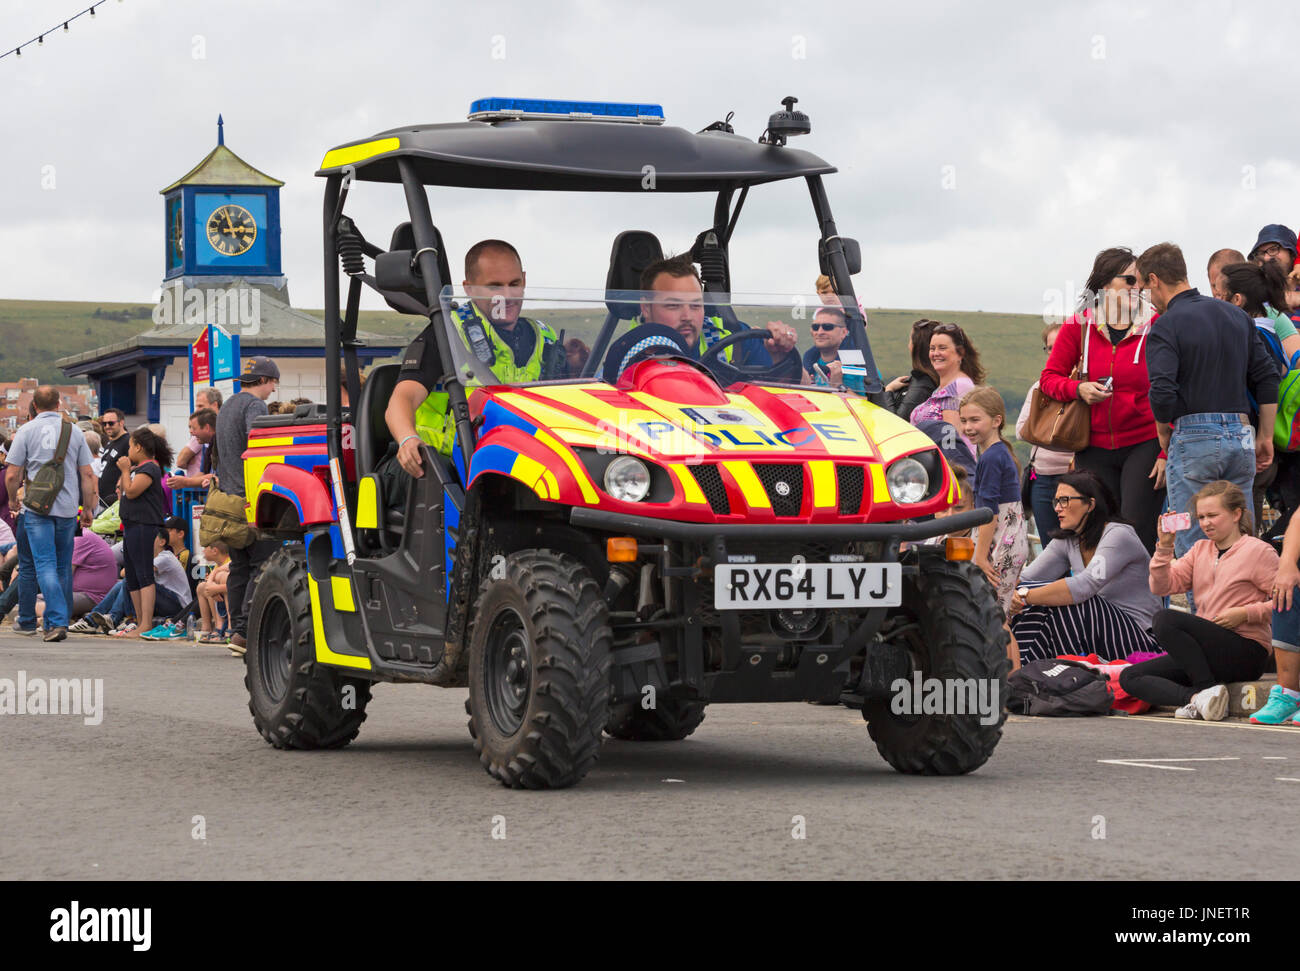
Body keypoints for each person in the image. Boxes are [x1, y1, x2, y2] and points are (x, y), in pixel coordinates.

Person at [1141, 242, 1280, 581]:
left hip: (1192, 438)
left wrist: (1163, 432)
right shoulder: (1236, 315)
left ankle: (1203, 627)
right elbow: (1267, 377)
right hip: (1241, 435)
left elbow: (1161, 390)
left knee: (1192, 544)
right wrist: (1264, 436)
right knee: (1240, 541)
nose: (1148, 298)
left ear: (1155, 280)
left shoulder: (1166, 324)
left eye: (1145, 288)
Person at [386, 239, 565, 472]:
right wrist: (408, 439)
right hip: (441, 465)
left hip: (517, 462)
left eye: (514, 283)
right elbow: (402, 400)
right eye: (494, 287)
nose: (507, 296)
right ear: (469, 288)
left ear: (524, 279)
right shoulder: (447, 332)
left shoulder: (545, 337)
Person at [1039, 246, 1165, 553]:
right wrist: (1077, 390)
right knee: (1100, 529)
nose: (1139, 288)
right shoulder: (1078, 326)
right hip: (1091, 444)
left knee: (1135, 529)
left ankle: (1143, 600)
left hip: (1144, 441)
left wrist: (1165, 452)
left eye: (1142, 282)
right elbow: (1049, 379)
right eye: (1130, 281)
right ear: (1106, 285)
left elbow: (1172, 387)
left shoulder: (1158, 324)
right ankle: (1101, 600)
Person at [1119, 481, 1277, 720]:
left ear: (1236, 514)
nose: (1205, 523)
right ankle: (1197, 698)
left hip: (1247, 649)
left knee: (1165, 619)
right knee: (1129, 676)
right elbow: (1161, 586)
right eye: (1201, 517)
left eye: (1213, 515)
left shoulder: (1258, 551)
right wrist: (1165, 546)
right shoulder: (1200, 549)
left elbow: (1289, 603)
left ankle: (1205, 688)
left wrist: (1246, 613)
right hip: (1206, 651)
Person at [1009, 472, 1160, 666]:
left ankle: (1041, 672)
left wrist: (1023, 596)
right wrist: (1012, 592)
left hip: (1139, 642)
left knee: (1077, 601)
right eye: (1056, 501)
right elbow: (1027, 578)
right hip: (1095, 636)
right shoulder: (1068, 540)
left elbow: (1084, 586)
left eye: (1064, 500)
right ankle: (1024, 671)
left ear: (1090, 504)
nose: (1057, 508)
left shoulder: (1118, 535)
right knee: (1039, 600)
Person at [4, 390, 96, 641]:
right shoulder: (74, 431)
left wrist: (13, 500)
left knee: (42, 564)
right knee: (62, 566)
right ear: (58, 404)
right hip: (67, 510)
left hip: (36, 508)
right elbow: (88, 475)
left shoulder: (26, 431)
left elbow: (12, 475)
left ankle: (55, 622)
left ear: (34, 405)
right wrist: (88, 508)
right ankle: (61, 618)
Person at [1217, 260, 1300, 532]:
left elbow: (1264, 383)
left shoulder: (1252, 338)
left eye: (1218, 295)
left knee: (1240, 529)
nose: (1213, 302)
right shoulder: (1271, 332)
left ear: (1237, 300)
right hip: (1260, 447)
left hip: (1251, 447)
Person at [636, 255, 800, 379]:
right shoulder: (628, 352)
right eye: (673, 305)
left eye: (695, 305)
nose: (687, 317)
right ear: (646, 308)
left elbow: (797, 388)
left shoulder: (734, 336)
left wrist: (779, 354)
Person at [215, 356, 281, 656]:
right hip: (251, 497)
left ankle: (235, 630)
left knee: (239, 567)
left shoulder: (228, 405)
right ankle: (246, 632)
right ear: (265, 381)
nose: (273, 392)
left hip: (228, 496)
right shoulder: (255, 407)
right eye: (273, 385)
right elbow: (260, 445)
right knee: (262, 564)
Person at [958, 387, 1029, 628]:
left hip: (1000, 545)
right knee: (999, 617)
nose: (968, 427)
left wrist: (979, 556)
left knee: (994, 619)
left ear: (996, 421)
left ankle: (1006, 667)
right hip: (1009, 543)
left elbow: (989, 514)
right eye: (964, 420)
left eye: (975, 420)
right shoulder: (999, 453)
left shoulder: (990, 458)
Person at [1016, 323, 1075, 545]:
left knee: (1081, 550)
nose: (1054, 352)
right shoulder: (1039, 387)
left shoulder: (1087, 386)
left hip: (1075, 478)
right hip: (1040, 477)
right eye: (1049, 348)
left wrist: (1042, 429)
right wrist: (1065, 435)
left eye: (1059, 345)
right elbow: (1021, 430)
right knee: (1049, 547)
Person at [119, 426, 172, 637]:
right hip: (131, 525)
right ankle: (140, 621)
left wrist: (124, 471)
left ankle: (146, 622)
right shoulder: (139, 469)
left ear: (139, 447)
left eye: (131, 445)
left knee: (143, 574)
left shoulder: (150, 468)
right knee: (132, 576)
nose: (128, 450)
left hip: (143, 525)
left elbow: (131, 492)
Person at [908, 322, 985, 437]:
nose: (936, 353)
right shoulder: (943, 388)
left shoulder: (958, 387)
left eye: (942, 348)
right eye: (932, 348)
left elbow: (951, 442)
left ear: (960, 353)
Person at [884, 319, 940, 421]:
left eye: (910, 340)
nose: (908, 345)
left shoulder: (923, 385)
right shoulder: (923, 380)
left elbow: (897, 422)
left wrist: (888, 391)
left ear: (917, 347)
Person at [803, 306, 865, 393]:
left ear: (844, 332)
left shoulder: (858, 364)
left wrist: (838, 385)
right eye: (815, 327)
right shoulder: (808, 361)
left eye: (828, 327)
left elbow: (872, 403)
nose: (819, 332)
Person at [1248, 224, 1300, 316]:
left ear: (1292, 253)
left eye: (1273, 249)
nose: (1267, 257)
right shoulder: (1254, 297)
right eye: (1261, 253)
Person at [167, 408, 217, 491]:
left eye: (194, 428)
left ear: (207, 427)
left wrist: (186, 482)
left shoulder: (222, 444)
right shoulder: (207, 445)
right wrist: (182, 483)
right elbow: (204, 473)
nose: (191, 432)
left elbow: (216, 476)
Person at [196, 541, 231, 643]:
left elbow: (235, 586)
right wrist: (211, 585)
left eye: (205, 548)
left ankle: (228, 629)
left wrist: (215, 589)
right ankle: (208, 628)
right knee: (202, 587)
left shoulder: (230, 561)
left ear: (215, 551)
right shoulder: (217, 566)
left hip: (236, 600)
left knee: (220, 579)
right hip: (222, 600)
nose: (202, 551)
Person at [96, 408, 129, 510]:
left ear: (121, 423)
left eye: (111, 423)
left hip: (115, 501)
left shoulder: (127, 441)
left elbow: (131, 469)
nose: (107, 427)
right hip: (102, 500)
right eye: (104, 424)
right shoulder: (110, 442)